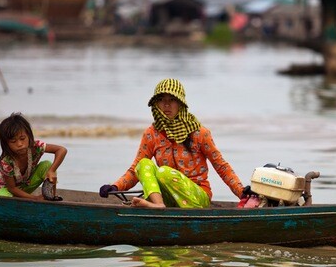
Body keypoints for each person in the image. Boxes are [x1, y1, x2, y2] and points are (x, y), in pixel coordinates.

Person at [99, 78, 245, 208]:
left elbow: (221, 167)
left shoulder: (199, 133)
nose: (166, 105)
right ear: (156, 104)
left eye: (172, 100)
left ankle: (156, 206)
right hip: (167, 198)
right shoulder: (151, 134)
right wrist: (115, 186)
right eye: (162, 100)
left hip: (197, 198)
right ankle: (158, 205)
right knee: (143, 163)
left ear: (180, 103)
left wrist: (243, 194)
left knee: (163, 172)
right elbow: (135, 171)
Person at [0, 112, 67, 200]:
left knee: (47, 165)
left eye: (22, 139)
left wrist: (52, 170)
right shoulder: (6, 161)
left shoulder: (35, 147)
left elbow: (61, 150)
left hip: (26, 186)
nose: (19, 144)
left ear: (29, 136)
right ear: (6, 144)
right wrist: (34, 198)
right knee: (3, 195)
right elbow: (12, 188)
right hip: (8, 191)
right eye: (13, 141)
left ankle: (51, 196)